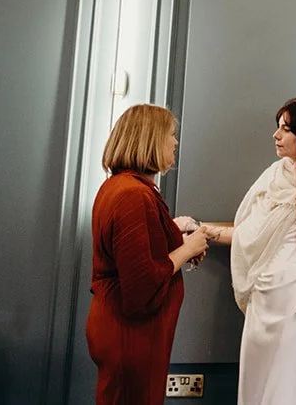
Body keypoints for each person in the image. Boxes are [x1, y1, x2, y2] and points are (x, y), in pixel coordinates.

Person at [198, 93, 296, 405]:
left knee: (291, 391)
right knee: (257, 391)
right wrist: (207, 232)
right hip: (263, 301)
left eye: (284, 128)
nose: (275, 135)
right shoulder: (273, 174)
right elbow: (250, 233)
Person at [87, 104, 209, 405]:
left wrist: (174, 239)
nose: (175, 142)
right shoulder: (133, 195)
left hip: (127, 332)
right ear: (151, 139)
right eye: (171, 135)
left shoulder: (120, 187)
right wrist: (187, 249)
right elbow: (141, 285)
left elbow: (137, 253)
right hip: (129, 335)